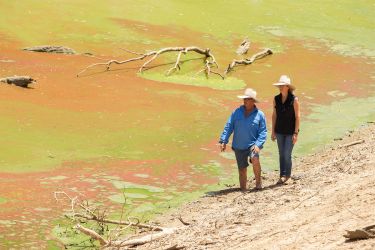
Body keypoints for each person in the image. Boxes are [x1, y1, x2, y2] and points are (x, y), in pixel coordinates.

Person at [219, 88, 267, 191]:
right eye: (244, 99)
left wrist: (258, 145)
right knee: (242, 170)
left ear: (253, 101)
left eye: (248, 99)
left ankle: (258, 184)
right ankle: (243, 189)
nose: (245, 101)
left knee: (255, 158)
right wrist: (223, 141)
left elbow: (263, 132)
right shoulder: (236, 112)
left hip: (252, 145)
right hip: (238, 146)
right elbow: (229, 126)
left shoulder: (260, 115)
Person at [271, 75, 300, 184]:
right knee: (281, 153)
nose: (280, 87)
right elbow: (274, 115)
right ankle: (282, 175)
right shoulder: (276, 99)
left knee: (287, 153)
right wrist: (273, 131)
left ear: (287, 86)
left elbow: (298, 117)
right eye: (279, 86)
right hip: (279, 130)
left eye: (282, 86)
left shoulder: (294, 99)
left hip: (290, 132)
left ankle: (288, 176)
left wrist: (296, 133)